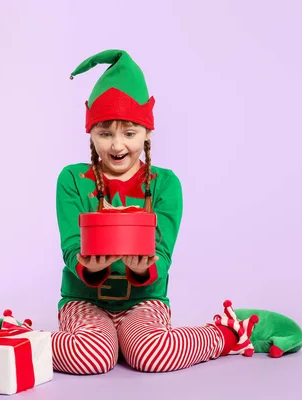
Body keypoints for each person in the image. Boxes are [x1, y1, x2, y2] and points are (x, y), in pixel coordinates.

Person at [51, 49, 258, 375]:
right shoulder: (72, 180)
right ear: (90, 133)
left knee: (152, 355)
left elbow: (162, 251)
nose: (117, 146)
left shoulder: (165, 184)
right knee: (92, 357)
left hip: (143, 299)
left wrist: (143, 267)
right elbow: (71, 245)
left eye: (129, 133)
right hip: (85, 299)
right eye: (105, 133)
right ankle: (12, 337)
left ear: (147, 133)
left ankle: (230, 333)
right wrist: (87, 266)